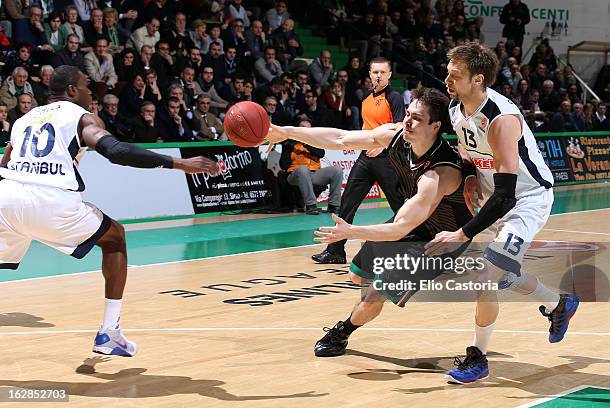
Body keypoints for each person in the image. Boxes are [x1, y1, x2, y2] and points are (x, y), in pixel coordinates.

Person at [264, 87, 493, 383]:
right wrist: (285, 131)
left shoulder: (440, 174)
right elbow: (340, 137)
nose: (407, 122)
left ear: (436, 127)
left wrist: (350, 231)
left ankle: (342, 332)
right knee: (356, 276)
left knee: (374, 294)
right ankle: (386, 288)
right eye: (408, 115)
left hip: (439, 241)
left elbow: (400, 228)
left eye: (417, 119)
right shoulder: (397, 136)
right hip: (411, 224)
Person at [0, 65, 219, 357]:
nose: (92, 94)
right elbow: (115, 151)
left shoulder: (24, 119)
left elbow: (6, 163)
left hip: (8, 197)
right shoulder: (81, 116)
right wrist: (177, 163)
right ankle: (109, 333)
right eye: (87, 88)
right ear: (73, 91)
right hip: (51, 201)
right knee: (115, 237)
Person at [426, 42, 579, 383]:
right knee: (504, 274)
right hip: (493, 196)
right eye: (448, 73)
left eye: (455, 75)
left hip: (526, 200)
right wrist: (462, 177)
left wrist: (461, 234)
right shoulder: (456, 108)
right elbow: (471, 157)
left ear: (478, 79)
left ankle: (477, 358)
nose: (447, 80)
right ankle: (560, 304)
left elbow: (508, 195)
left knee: (485, 278)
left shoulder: (502, 118)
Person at [312, 57, 404, 264]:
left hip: (387, 158)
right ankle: (335, 251)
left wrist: (381, 146)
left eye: (382, 72)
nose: (378, 76)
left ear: (389, 74)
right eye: (375, 72)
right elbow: (366, 128)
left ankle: (421, 244)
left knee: (401, 206)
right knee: (347, 204)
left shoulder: (395, 97)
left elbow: (400, 128)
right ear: (370, 74)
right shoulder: (365, 98)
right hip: (365, 158)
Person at [279, 118, 343, 215]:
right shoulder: (290, 143)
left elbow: (321, 153)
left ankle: (334, 205)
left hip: (314, 174)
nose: (306, 131)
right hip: (295, 175)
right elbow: (283, 165)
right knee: (303, 169)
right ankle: (311, 205)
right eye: (303, 128)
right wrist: (289, 148)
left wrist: (306, 143)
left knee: (337, 171)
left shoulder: (315, 141)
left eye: (309, 129)